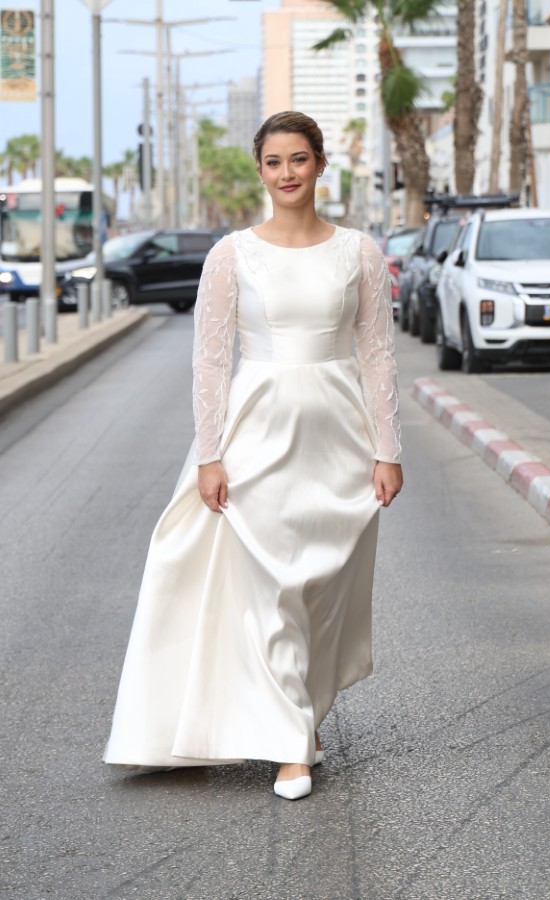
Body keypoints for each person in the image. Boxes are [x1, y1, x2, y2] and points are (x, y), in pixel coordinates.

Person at [103, 111, 403, 801]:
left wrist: (388, 449)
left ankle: (304, 711)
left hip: (342, 434)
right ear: (260, 171)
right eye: (274, 162)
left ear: (320, 164)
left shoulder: (359, 252)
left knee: (326, 588)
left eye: (298, 159)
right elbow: (211, 362)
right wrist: (210, 455)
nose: (287, 173)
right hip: (257, 433)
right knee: (270, 585)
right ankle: (290, 746)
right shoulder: (230, 255)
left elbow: (380, 355)